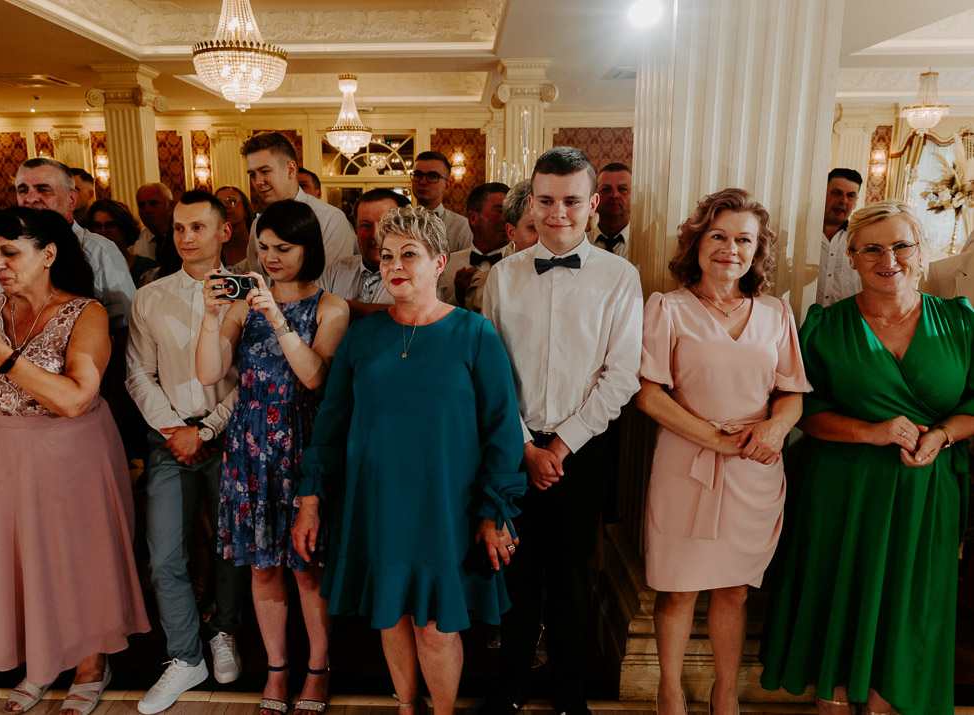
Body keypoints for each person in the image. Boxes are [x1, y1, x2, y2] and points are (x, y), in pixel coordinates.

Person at [291, 205, 526, 715]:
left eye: (410, 254)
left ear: (439, 262)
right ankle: (406, 706)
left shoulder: (474, 333)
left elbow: (502, 430)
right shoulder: (362, 335)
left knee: (435, 627)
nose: (395, 265)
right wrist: (309, 501)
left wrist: (495, 513)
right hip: (375, 503)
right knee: (390, 613)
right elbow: (330, 423)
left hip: (447, 508)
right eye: (387, 255)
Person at [0, 206, 149, 715]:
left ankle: (91, 663)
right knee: (21, 559)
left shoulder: (86, 313)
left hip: (72, 453)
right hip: (1, 453)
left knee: (78, 558)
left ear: (48, 254)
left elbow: (75, 398)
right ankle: (42, 660)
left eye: (10, 252)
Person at [760, 200, 972, 715]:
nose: (888, 259)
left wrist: (943, 435)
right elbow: (803, 411)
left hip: (926, 491)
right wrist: (870, 432)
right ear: (851, 258)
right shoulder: (823, 326)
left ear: (922, 252)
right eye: (871, 249)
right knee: (840, 594)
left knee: (910, 604)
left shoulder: (961, 322)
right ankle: (832, 699)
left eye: (901, 246)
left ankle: (884, 703)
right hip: (842, 487)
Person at [481, 147, 643, 715]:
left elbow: (621, 375)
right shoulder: (502, 276)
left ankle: (570, 691)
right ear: (531, 201)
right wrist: (525, 445)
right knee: (516, 574)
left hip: (584, 449)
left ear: (592, 203)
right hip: (514, 446)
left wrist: (562, 443)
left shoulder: (621, 276)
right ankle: (512, 684)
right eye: (546, 201)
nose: (558, 213)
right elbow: (492, 371)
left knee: (574, 576)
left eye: (571, 201)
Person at [636, 188, 810, 715]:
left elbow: (792, 393)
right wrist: (714, 439)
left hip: (755, 466)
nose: (730, 248)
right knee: (679, 589)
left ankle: (725, 693)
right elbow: (648, 394)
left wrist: (775, 429)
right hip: (686, 464)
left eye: (744, 240)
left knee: (734, 590)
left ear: (757, 251)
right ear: (697, 243)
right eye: (718, 235)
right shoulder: (667, 307)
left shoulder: (776, 312)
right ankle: (670, 693)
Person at [197, 199, 349, 715]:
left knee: (307, 568)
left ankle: (318, 669)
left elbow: (314, 378)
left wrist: (277, 319)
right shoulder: (243, 306)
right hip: (250, 447)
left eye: (283, 248)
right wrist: (211, 316)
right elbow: (208, 373)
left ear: (309, 248)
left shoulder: (330, 307)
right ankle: (277, 669)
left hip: (304, 444)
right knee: (263, 569)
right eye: (263, 248)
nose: (271, 258)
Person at [127, 191, 250, 714]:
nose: (186, 237)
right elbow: (138, 373)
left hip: (231, 435)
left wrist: (208, 429)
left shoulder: (250, 292)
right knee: (164, 555)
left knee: (229, 547)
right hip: (169, 438)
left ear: (225, 231)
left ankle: (224, 632)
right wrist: (178, 429)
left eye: (198, 227)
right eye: (179, 228)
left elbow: (253, 376)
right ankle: (184, 655)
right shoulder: (150, 296)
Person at [0, 158, 136, 337]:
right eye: (23, 190)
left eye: (43, 189)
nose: (30, 198)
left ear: (72, 198)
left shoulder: (100, 251)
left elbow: (125, 325)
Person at [241, 132, 354, 276]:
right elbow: (256, 279)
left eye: (264, 171)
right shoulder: (258, 224)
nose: (258, 182)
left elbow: (334, 281)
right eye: (252, 175)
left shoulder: (330, 219)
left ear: (291, 170)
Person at [317, 188, 409, 320]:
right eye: (366, 226)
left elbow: (410, 315)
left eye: (385, 225)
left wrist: (336, 306)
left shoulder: (414, 273)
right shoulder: (335, 270)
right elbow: (311, 308)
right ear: (356, 230)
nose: (375, 235)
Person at [461, 180, 538, 314]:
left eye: (549, 227)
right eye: (533, 228)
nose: (543, 237)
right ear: (511, 232)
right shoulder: (492, 280)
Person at [438, 182, 510, 308]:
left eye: (509, 212)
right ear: (473, 218)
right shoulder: (445, 266)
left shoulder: (521, 265)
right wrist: (458, 298)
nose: (507, 219)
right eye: (499, 211)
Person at [816, 168, 863, 306]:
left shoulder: (862, 240)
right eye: (836, 193)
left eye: (851, 195)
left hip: (844, 317)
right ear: (823, 193)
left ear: (856, 201)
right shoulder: (800, 234)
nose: (843, 200)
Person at [410, 151, 472, 253]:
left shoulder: (462, 228)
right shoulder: (399, 223)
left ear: (446, 185)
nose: (422, 181)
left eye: (432, 176)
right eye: (418, 175)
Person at [88, 198, 159, 287]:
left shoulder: (147, 269)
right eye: (97, 226)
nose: (103, 231)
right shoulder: (89, 269)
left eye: (110, 225)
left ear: (124, 228)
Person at [587, 163, 631, 257]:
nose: (614, 195)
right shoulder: (578, 246)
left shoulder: (646, 246)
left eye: (622, 189)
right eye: (606, 189)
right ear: (594, 198)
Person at [214, 186, 254, 272]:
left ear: (246, 210)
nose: (224, 206)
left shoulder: (260, 244)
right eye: (219, 204)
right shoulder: (211, 249)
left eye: (232, 201)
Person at [133, 183, 176, 260]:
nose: (147, 210)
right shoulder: (136, 246)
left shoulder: (187, 237)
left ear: (170, 205)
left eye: (153, 203)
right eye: (142, 205)